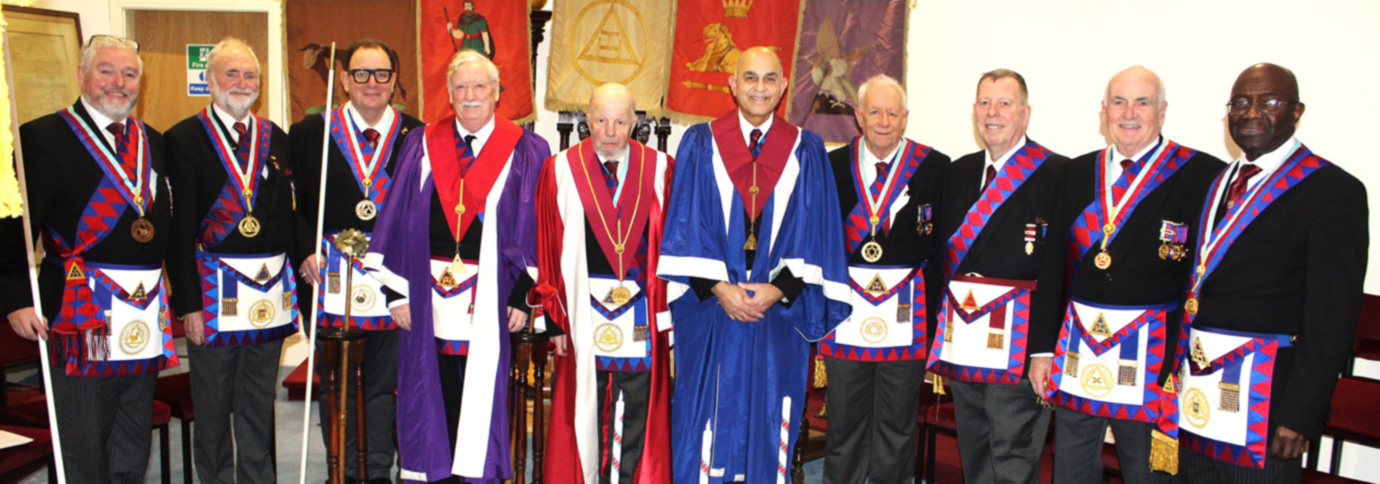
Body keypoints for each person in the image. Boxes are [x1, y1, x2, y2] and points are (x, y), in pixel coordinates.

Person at [657, 46, 850, 484]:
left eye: (768, 79)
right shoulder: (700, 142)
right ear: (732, 84)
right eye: (749, 78)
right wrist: (722, 289)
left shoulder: (807, 150)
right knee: (705, 411)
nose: (759, 88)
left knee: (770, 411)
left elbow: (816, 232)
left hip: (777, 310)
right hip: (712, 309)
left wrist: (777, 289)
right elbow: (686, 224)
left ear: (783, 86)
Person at [362, 49, 548, 483]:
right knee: (431, 386)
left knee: (482, 388)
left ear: (497, 93)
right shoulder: (422, 143)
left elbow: (537, 227)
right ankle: (437, 473)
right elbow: (396, 217)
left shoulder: (526, 150)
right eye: (460, 87)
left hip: (493, 293)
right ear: (448, 93)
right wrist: (396, 292)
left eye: (479, 86)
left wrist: (522, 294)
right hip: (426, 292)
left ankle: (479, 473)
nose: (469, 96)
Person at [1175, 63, 1367, 484]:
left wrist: (1300, 414)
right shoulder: (1215, 182)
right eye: (1240, 103)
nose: (1251, 113)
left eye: (1270, 102)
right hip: (1198, 393)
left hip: (1266, 404)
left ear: (1297, 112)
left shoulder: (1333, 191)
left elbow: (1332, 316)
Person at [0, 35, 177, 483]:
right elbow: (12, 229)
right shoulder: (41, 137)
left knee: (133, 432)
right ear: (82, 76)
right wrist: (18, 299)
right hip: (79, 309)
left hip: (141, 308)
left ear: (141, 83)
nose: (118, 83)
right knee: (82, 436)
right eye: (106, 71)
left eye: (129, 74)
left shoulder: (152, 141)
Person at [1040, 66, 1224, 483]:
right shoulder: (1076, 172)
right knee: (1070, 469)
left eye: (1142, 102)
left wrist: (1184, 360)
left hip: (1151, 356)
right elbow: (1054, 267)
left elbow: (1202, 276)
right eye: (1119, 101)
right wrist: (1041, 349)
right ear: (1104, 111)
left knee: (1144, 472)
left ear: (1162, 112)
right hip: (1078, 348)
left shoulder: (1199, 175)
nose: (1129, 112)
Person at [290, 38, 424, 484]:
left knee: (384, 386)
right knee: (338, 386)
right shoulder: (312, 133)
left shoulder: (416, 135)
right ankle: (343, 472)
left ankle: (379, 471)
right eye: (361, 74)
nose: (372, 83)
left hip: (391, 282)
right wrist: (303, 249)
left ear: (394, 80)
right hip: (329, 277)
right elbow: (294, 206)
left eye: (382, 74)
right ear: (344, 80)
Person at [925, 69, 1068, 484]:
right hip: (964, 338)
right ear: (974, 111)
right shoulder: (959, 172)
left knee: (1013, 456)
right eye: (985, 103)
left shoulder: (1055, 172)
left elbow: (1057, 267)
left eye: (1005, 103)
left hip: (1017, 345)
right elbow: (940, 257)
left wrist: (1043, 349)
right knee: (974, 453)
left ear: (1025, 113)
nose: (993, 113)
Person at [163, 37, 295, 484]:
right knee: (214, 407)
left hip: (267, 293)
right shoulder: (181, 139)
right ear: (210, 81)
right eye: (231, 74)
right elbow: (177, 230)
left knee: (259, 402)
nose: (241, 83)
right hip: (213, 297)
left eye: (250, 75)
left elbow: (285, 217)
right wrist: (189, 304)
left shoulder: (275, 136)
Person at [535, 83, 673, 484]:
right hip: (580, 311)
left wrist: (669, 314)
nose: (610, 131)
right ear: (586, 120)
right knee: (584, 406)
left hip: (642, 315)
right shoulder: (559, 169)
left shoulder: (662, 169)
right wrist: (555, 319)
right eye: (600, 120)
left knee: (638, 412)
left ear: (635, 122)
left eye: (620, 121)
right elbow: (546, 245)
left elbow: (675, 245)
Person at [820, 74, 948, 484]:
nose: (883, 120)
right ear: (858, 116)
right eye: (874, 111)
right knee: (844, 427)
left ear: (906, 118)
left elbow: (943, 249)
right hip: (845, 316)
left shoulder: (935, 167)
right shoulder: (832, 165)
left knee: (896, 428)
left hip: (907, 320)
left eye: (893, 112)